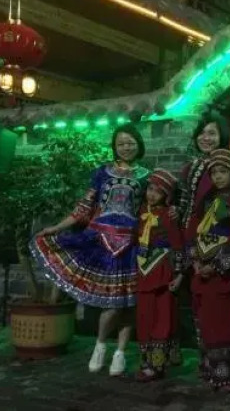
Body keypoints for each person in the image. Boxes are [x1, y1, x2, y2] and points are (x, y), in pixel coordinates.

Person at [32, 124, 150, 377]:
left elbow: (151, 210)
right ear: (114, 146)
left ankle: (120, 353)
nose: (126, 147)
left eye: (130, 143)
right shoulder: (102, 173)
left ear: (139, 145)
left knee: (129, 303)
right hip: (101, 241)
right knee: (112, 304)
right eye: (121, 143)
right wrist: (57, 227)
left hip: (131, 244)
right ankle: (100, 344)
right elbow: (84, 207)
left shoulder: (146, 176)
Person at [186, 148, 230, 392]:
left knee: (222, 323)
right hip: (200, 272)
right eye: (214, 173)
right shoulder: (206, 200)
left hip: (221, 275)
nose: (218, 177)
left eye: (223, 171)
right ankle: (209, 367)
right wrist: (196, 262)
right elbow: (192, 230)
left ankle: (226, 374)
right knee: (204, 322)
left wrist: (215, 265)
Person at [135, 168, 184, 382]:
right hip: (143, 269)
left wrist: (179, 274)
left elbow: (178, 245)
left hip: (163, 270)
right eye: (150, 189)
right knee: (144, 316)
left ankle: (157, 364)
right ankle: (147, 361)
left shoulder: (169, 215)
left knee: (162, 316)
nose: (152, 194)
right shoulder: (140, 212)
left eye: (158, 191)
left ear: (167, 196)